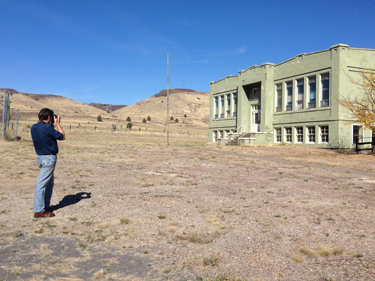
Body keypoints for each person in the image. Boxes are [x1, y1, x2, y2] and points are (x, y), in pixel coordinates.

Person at [31, 108, 65, 218]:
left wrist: (52, 126)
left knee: (49, 183)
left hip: (40, 157)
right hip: (49, 158)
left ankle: (45, 205)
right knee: (41, 184)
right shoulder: (48, 128)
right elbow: (62, 136)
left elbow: (46, 132)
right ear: (49, 117)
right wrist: (58, 124)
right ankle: (39, 210)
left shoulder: (34, 127)